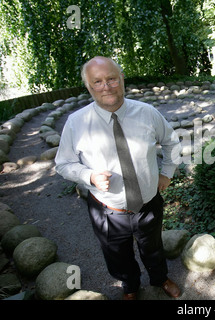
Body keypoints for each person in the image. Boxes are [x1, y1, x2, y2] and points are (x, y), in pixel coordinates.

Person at [55, 56, 182, 300]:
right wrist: (88, 175)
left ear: (122, 78)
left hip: (148, 204)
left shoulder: (147, 113)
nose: (106, 86)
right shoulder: (76, 123)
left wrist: (167, 172)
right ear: (89, 87)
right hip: (107, 210)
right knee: (117, 255)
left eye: (112, 78)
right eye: (98, 81)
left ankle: (160, 278)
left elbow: (171, 141)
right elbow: (63, 164)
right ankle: (130, 287)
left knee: (153, 247)